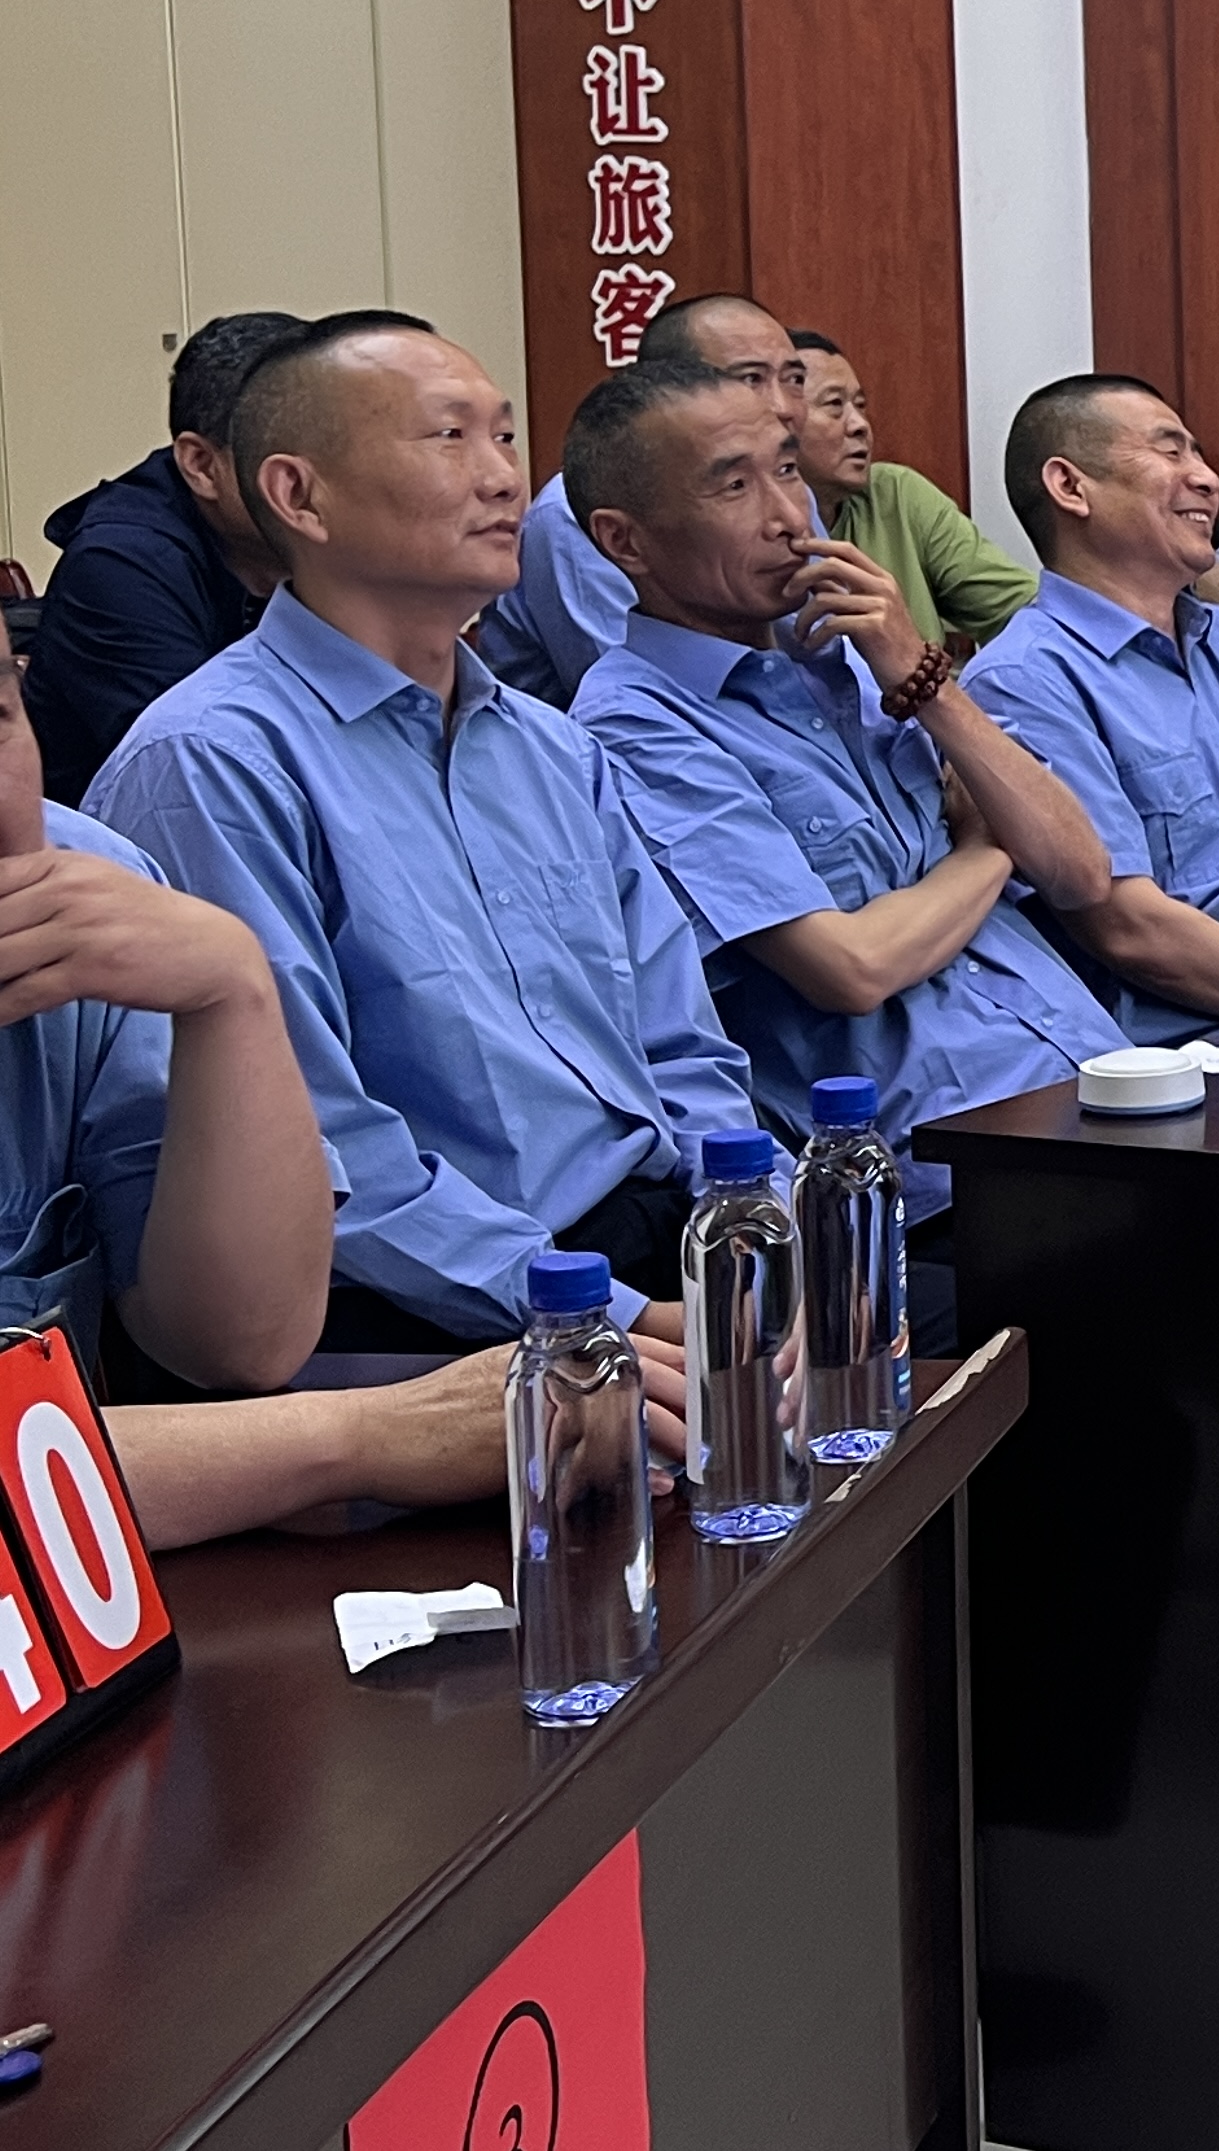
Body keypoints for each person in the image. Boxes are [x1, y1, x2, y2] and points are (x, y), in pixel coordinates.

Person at [90, 316, 757, 1348]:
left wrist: (753, 1234)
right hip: (435, 1311)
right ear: (298, 495)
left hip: (658, 1239)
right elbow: (328, 1149)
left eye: (505, 436)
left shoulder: (552, 747)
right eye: (451, 438)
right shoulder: (212, 762)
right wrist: (609, 1319)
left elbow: (679, 1038)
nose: (502, 479)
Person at [0, 638, 687, 1547]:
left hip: (614, 1255)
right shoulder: (209, 752)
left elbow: (235, 1342)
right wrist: (368, 1436)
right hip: (440, 1309)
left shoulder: (82, 879)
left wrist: (233, 991)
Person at [562, 359, 1122, 1179]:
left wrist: (923, 679)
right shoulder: (634, 723)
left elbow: (1079, 871)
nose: (790, 517)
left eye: (789, 470)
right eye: (735, 487)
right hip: (945, 1168)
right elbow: (853, 968)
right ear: (625, 540)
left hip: (1103, 1086)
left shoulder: (848, 652)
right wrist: (990, 846)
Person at [969, 376, 1219, 1042]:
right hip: (1198, 1057)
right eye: (1170, 452)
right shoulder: (1023, 681)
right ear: (1070, 487)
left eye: (1199, 454)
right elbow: (1129, 929)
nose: (1207, 479)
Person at [24, 310, 308, 805]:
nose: (344, 475)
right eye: (298, 454)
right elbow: (210, 774)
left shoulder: (320, 536)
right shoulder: (119, 563)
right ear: (202, 465)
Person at [476, 291, 810, 704]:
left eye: (794, 379)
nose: (780, 405)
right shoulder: (574, 514)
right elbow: (659, 691)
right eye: (749, 379)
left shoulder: (785, 491)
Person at [790, 331, 1037, 649]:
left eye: (861, 406)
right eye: (835, 404)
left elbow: (1025, 612)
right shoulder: (752, 534)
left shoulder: (896, 495)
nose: (860, 425)